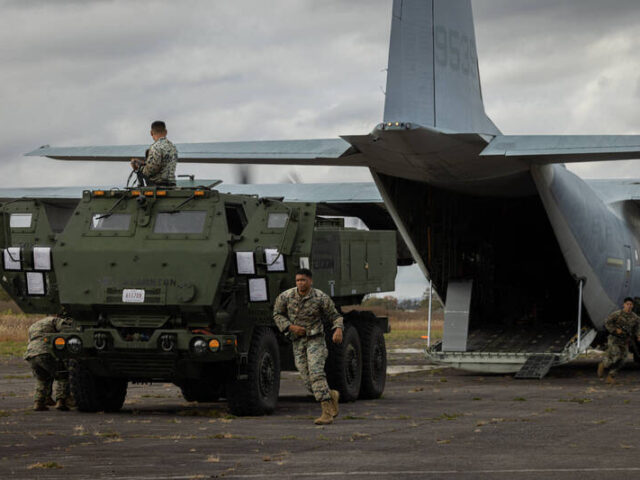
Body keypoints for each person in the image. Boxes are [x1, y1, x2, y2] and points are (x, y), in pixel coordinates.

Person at [273, 268, 343, 425]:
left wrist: (338, 329)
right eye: (298, 280)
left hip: (315, 339)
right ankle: (330, 395)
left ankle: (326, 413)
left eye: (303, 280)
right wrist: (291, 327)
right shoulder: (286, 296)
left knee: (316, 373)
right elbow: (277, 314)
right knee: (307, 379)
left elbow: (335, 316)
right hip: (297, 341)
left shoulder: (320, 298)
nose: (300, 283)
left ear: (310, 281)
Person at [24, 316, 73, 411]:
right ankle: (61, 401)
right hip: (46, 352)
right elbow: (66, 330)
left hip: (31, 354)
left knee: (42, 378)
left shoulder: (34, 325)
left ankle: (39, 402)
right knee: (62, 374)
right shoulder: (55, 320)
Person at [597, 297, 640, 383]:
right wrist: (615, 330)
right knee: (616, 355)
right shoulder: (617, 314)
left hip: (625, 340)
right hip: (614, 339)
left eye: (631, 304)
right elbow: (607, 322)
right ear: (624, 305)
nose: (629, 306)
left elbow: (637, 328)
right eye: (627, 304)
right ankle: (603, 364)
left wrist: (638, 335)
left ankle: (611, 376)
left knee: (623, 360)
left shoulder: (635, 318)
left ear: (633, 306)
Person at [130, 120, 178, 186]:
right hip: (171, 185)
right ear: (166, 132)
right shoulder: (172, 147)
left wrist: (137, 167)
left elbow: (150, 171)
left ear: (151, 133)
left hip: (158, 186)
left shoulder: (155, 147)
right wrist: (144, 163)